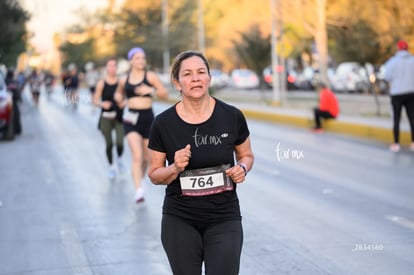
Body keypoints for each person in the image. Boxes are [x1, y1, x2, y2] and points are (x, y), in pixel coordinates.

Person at [147, 50, 254, 275]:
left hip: (224, 218)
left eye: (201, 72)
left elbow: (247, 155)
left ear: (209, 78)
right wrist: (175, 167)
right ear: (177, 83)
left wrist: (242, 168)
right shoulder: (163, 124)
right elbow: (154, 174)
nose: (195, 78)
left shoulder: (232, 116)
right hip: (180, 220)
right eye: (187, 74)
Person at [114, 47, 168, 203]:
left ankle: (141, 178)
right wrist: (119, 99)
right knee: (137, 156)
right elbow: (118, 92)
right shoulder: (125, 79)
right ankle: (138, 190)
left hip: (147, 118)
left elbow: (164, 94)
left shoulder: (150, 76)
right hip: (131, 118)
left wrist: (150, 90)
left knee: (146, 157)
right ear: (131, 61)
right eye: (137, 58)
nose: (141, 61)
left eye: (143, 58)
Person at [93, 58, 126, 179]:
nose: (112, 68)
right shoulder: (102, 83)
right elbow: (95, 100)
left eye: (114, 66)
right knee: (109, 144)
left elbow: (128, 97)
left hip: (118, 117)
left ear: (117, 68)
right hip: (106, 117)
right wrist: (102, 104)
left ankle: (120, 159)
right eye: (110, 66)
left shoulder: (121, 83)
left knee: (120, 143)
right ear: (107, 68)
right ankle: (112, 167)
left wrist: (124, 102)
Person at [383, 40, 414, 152]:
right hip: (411, 93)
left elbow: (386, 77)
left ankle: (396, 143)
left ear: (398, 48)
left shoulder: (393, 62)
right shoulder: (412, 60)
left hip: (397, 93)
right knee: (412, 118)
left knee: (396, 118)